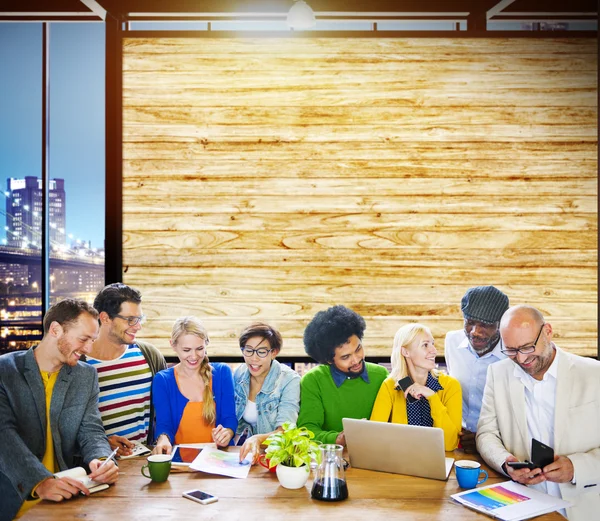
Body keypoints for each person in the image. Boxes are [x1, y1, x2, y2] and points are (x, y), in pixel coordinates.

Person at [477, 305, 600, 521]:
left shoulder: (594, 374)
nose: (521, 359)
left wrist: (576, 467)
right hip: (523, 505)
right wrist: (506, 463)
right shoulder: (497, 374)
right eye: (511, 351)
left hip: (585, 506)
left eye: (527, 347)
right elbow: (486, 433)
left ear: (548, 332)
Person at [0, 299, 118, 520]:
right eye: (84, 339)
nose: (88, 350)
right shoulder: (4, 371)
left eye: (92, 341)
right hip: (13, 501)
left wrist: (101, 458)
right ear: (55, 330)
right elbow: (3, 436)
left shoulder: (86, 375)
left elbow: (91, 429)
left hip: (68, 500)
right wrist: (40, 482)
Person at [84, 283, 167, 456]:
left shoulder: (150, 356)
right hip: (101, 467)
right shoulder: (80, 364)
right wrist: (102, 444)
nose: (138, 326)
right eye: (130, 320)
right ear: (105, 318)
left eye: (139, 319)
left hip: (145, 464)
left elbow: (165, 410)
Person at [297, 305, 388, 445]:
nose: (356, 360)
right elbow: (307, 431)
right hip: (330, 458)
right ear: (328, 360)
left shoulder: (381, 374)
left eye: (358, 349)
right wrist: (338, 438)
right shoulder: (313, 381)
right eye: (345, 357)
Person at [370, 323, 462, 450]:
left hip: (438, 461)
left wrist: (433, 397)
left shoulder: (450, 385)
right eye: (425, 345)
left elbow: (450, 444)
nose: (434, 351)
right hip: (400, 460)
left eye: (433, 344)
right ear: (405, 351)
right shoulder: (390, 386)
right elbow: (374, 436)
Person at [152, 316, 237, 453]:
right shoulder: (163, 380)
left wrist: (228, 432)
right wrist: (163, 438)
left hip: (219, 458)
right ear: (173, 346)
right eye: (186, 350)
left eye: (199, 348)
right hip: (180, 461)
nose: (194, 356)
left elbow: (230, 418)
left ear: (206, 344)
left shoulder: (222, 373)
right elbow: (164, 424)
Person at [445, 285, 509, 453]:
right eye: (470, 323)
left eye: (485, 325)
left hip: (499, 446)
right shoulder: (452, 341)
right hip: (456, 442)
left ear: (500, 324)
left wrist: (484, 438)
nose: (475, 332)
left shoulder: (514, 354)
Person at [233, 323, 300, 463]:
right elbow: (233, 421)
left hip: (278, 459)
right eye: (249, 350)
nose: (254, 358)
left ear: (274, 352)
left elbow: (286, 432)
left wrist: (257, 438)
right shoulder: (239, 374)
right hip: (251, 458)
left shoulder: (289, 380)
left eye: (262, 352)